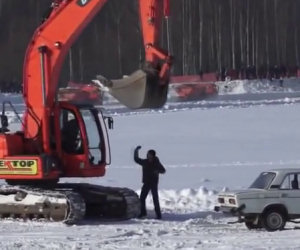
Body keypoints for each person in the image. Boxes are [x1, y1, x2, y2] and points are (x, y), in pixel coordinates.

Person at [134, 145, 166, 219]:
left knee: (155, 198)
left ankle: (158, 215)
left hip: (154, 183)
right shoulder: (145, 162)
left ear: (153, 156)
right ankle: (143, 213)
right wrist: (136, 151)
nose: (148, 156)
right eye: (148, 154)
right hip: (146, 183)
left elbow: (163, 170)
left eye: (150, 155)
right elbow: (136, 159)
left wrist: (157, 171)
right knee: (142, 198)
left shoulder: (156, 163)